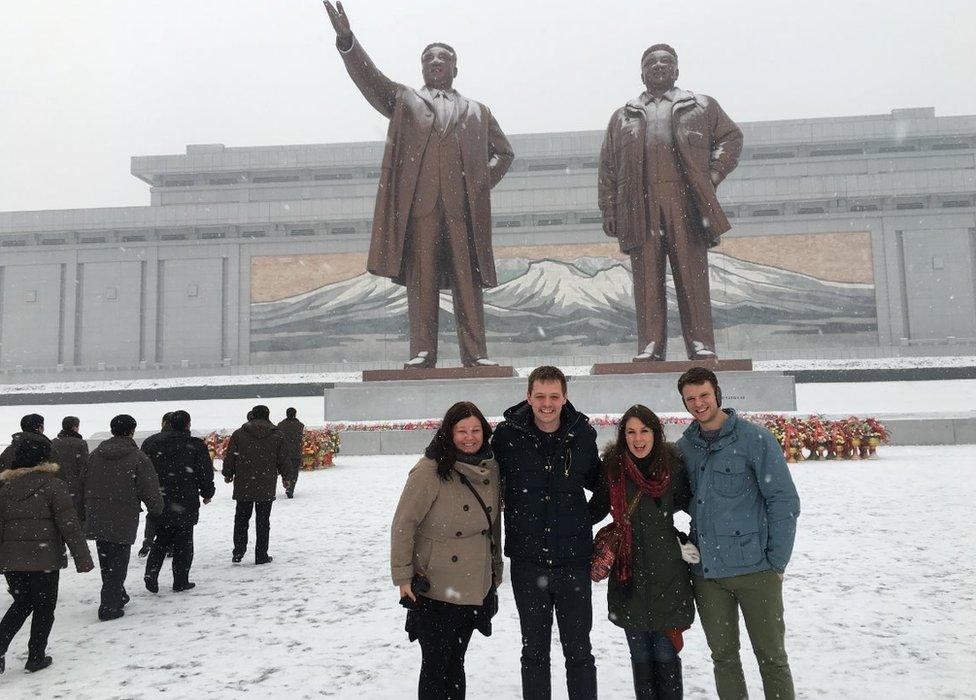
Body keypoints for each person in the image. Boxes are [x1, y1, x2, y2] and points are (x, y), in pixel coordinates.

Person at [323, 1, 514, 368]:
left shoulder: (478, 111)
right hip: (421, 210)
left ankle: (475, 354)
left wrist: (477, 185)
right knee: (422, 281)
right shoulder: (406, 101)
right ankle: (423, 352)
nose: (436, 62)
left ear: (456, 68)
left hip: (463, 213)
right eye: (430, 58)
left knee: (467, 282)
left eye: (444, 58)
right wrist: (347, 41)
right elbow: (371, 80)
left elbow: (503, 153)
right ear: (422, 67)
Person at [598, 44, 742, 361]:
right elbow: (608, 167)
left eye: (666, 62)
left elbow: (731, 138)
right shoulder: (623, 117)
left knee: (692, 275)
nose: (659, 66)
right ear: (642, 73)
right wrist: (610, 210)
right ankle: (651, 344)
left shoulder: (701, 106)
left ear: (677, 70)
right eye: (652, 62)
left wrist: (714, 175)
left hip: (686, 202)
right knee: (647, 279)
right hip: (640, 204)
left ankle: (701, 343)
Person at [675, 367, 801, 699]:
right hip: (707, 575)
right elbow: (669, 499)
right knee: (724, 659)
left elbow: (784, 500)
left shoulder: (754, 439)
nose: (699, 404)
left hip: (756, 571)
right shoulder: (685, 448)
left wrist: (777, 562)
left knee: (772, 659)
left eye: (704, 395)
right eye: (691, 399)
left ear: (717, 393)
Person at [491, 366, 601, 700]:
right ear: (529, 396)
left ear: (565, 397)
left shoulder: (582, 434)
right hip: (528, 562)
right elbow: (484, 479)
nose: (547, 404)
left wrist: (583, 520)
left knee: (579, 651)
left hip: (573, 562)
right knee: (534, 653)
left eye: (554, 396)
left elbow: (601, 485)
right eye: (540, 396)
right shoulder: (508, 437)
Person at [391, 401, 502, 699]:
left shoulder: (489, 467)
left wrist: (495, 570)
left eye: (476, 430)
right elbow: (404, 524)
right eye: (462, 431)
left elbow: (493, 524)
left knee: (456, 662)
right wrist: (402, 577)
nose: (470, 437)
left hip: (472, 582)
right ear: (448, 433)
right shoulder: (429, 471)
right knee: (436, 665)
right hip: (434, 586)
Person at [590, 405, 698, 699]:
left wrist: (689, 539)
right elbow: (595, 509)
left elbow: (694, 505)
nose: (638, 439)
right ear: (623, 435)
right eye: (631, 432)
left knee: (666, 655)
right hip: (629, 575)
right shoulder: (612, 467)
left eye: (644, 431)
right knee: (640, 657)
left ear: (656, 433)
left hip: (668, 575)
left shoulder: (672, 467)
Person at [0, 435, 94, 674]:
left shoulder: (5, 488)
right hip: (45, 560)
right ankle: (36, 656)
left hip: (12, 559)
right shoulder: (53, 485)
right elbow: (69, 525)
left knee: (22, 603)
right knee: (44, 608)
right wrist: (82, 558)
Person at [82, 414, 163, 621]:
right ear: (131, 431)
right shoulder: (138, 457)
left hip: (97, 511)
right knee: (119, 560)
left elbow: (83, 481)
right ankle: (109, 606)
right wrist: (156, 508)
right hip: (123, 513)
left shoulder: (95, 454)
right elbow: (149, 487)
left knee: (106, 559)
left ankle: (117, 594)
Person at [141, 410, 215, 593]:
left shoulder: (151, 443)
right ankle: (181, 580)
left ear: (168, 423)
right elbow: (205, 472)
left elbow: (142, 471)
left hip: (160, 497)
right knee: (184, 540)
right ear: (188, 424)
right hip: (186, 497)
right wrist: (207, 492)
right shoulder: (196, 445)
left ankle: (151, 572)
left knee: (161, 538)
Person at [222, 405, 289, 565]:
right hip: (266, 483)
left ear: (252, 415)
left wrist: (228, 473)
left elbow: (230, 456)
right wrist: (286, 477)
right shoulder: (277, 435)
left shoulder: (239, 434)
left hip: (244, 483)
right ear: (267, 415)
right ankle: (261, 555)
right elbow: (283, 459)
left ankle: (238, 552)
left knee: (241, 519)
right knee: (263, 521)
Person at [138, 412, 173, 557]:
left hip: (154, 483)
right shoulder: (184, 441)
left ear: (163, 423)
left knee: (154, 514)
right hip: (177, 485)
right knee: (173, 515)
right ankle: (171, 546)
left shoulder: (150, 441)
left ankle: (148, 542)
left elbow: (140, 463)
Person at [50, 416, 89, 520]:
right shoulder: (80, 443)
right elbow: (84, 467)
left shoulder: (53, 442)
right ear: (74, 428)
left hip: (56, 485)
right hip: (75, 487)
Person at [276, 407, 305, 499]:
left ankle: (286, 482)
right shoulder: (300, 425)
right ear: (295, 414)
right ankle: (290, 488)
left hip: (283, 453)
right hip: (295, 452)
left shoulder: (280, 425)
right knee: (294, 471)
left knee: (284, 470)